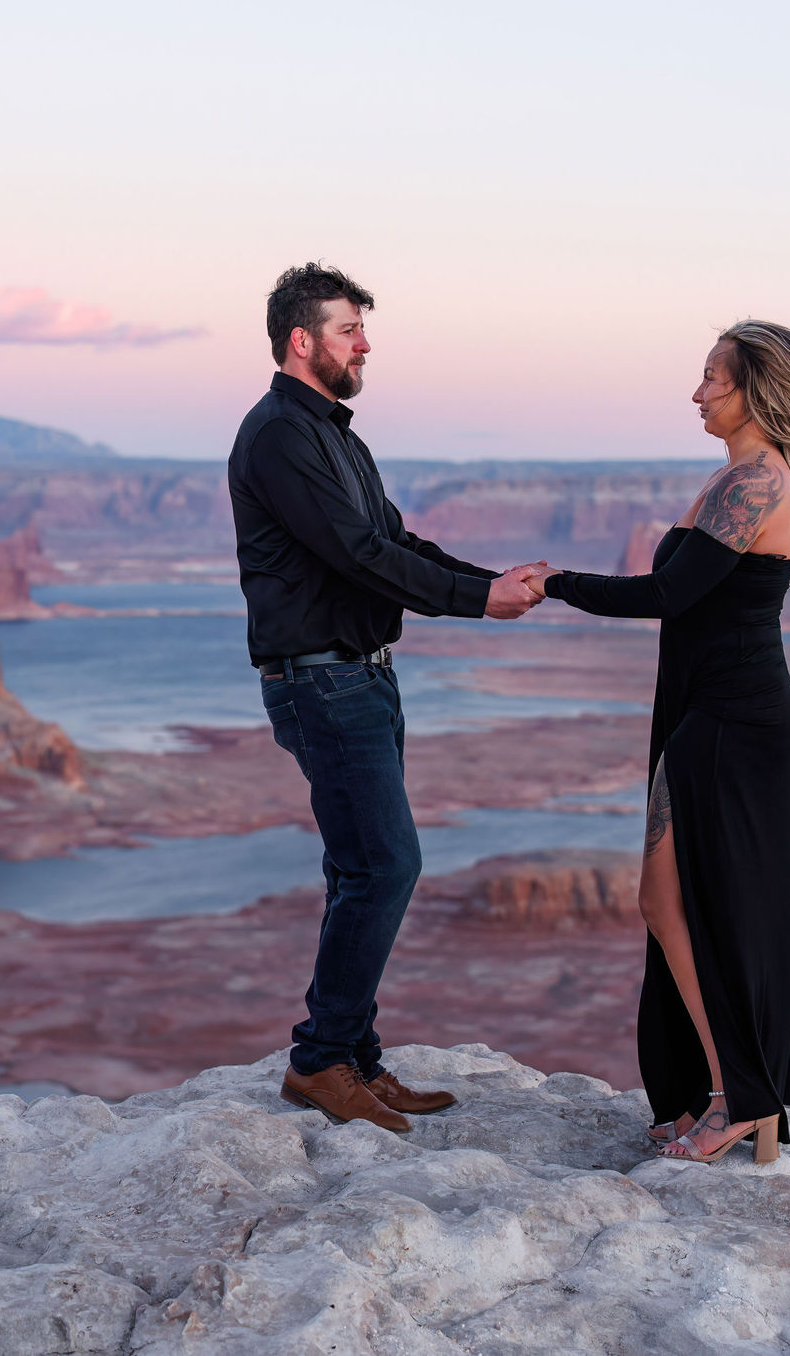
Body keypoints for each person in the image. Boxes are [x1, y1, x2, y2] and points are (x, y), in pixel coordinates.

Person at [229, 263, 548, 1132]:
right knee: (387, 864)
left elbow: (393, 537)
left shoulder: (335, 435)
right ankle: (322, 1059)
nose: (365, 344)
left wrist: (489, 579)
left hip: (361, 671)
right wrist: (481, 603)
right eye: (347, 330)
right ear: (302, 340)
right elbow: (357, 555)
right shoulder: (280, 437)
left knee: (357, 867)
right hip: (323, 678)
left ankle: (356, 1059)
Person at [524, 320, 790, 1164]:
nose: (697, 393)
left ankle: (739, 1096)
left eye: (712, 380)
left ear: (755, 389)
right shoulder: (735, 476)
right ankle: (716, 1090)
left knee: (689, 900)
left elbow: (667, 592)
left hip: (738, 717)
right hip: (709, 711)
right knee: (672, 900)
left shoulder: (758, 482)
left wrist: (554, 582)